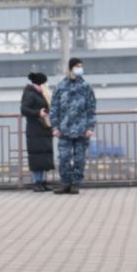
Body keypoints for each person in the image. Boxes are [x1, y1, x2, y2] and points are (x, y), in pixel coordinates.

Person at [49, 57, 96, 195]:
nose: (80, 68)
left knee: (79, 158)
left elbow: (91, 109)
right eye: (77, 66)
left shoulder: (86, 87)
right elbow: (54, 109)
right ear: (71, 68)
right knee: (63, 157)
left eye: (81, 65)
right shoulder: (61, 86)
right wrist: (55, 127)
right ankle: (65, 183)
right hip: (64, 130)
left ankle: (75, 184)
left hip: (81, 130)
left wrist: (90, 127)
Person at [20, 72, 54, 191]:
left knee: (43, 157)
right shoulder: (30, 94)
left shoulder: (41, 94)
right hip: (35, 130)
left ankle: (42, 182)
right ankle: (37, 182)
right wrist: (38, 113)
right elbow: (24, 109)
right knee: (36, 156)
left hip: (43, 129)